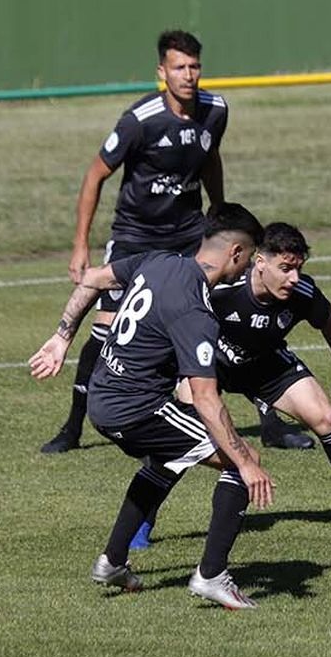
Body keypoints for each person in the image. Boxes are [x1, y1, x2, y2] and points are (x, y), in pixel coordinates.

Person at [38, 29, 312, 457]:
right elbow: (95, 175)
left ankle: (271, 420)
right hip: (136, 237)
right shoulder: (139, 119)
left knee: (230, 320)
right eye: (179, 67)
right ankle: (74, 426)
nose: (188, 75)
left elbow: (211, 159)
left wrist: (224, 218)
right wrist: (79, 245)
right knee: (107, 329)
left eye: (195, 66)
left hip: (191, 236)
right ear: (161, 72)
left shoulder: (215, 111)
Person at [29, 203, 276, 609]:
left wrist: (62, 336)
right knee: (239, 459)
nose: (248, 268)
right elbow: (206, 398)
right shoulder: (195, 309)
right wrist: (246, 462)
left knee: (168, 460)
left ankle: (112, 561)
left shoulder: (159, 261)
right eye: (248, 258)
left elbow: (92, 280)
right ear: (236, 253)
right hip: (135, 408)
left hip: (104, 394)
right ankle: (212, 575)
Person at [204, 221, 331, 540]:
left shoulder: (301, 291)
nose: (294, 278)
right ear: (260, 261)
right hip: (209, 364)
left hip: (266, 364)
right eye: (285, 268)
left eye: (298, 268)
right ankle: (143, 522)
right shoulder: (222, 286)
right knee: (182, 434)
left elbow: (330, 322)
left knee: (327, 419)